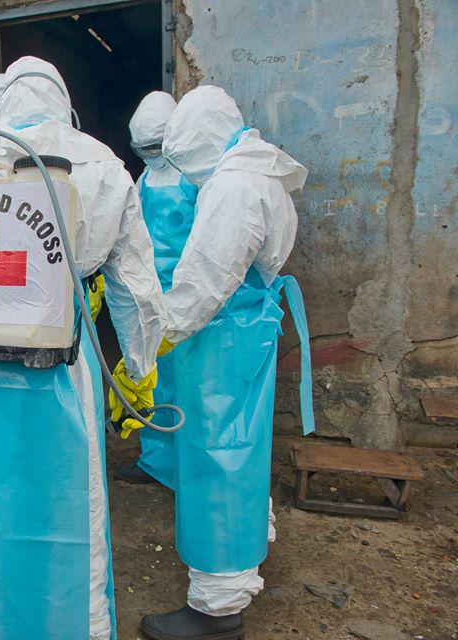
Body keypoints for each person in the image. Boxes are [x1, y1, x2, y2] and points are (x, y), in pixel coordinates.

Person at [0, 56, 165, 640]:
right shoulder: (103, 164)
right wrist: (138, 369)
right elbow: (136, 291)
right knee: (73, 506)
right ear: (65, 103)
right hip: (64, 365)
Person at [138, 85, 314, 640]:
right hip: (243, 331)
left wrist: (151, 342)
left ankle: (217, 607)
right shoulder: (257, 171)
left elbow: (202, 286)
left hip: (222, 335)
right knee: (240, 448)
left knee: (217, 454)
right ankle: (246, 551)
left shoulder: (234, 189)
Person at [115, 91, 198, 488]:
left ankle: (192, 465)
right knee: (153, 380)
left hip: (191, 298)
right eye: (143, 150)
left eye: (155, 147)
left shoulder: (198, 176)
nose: (150, 156)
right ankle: (155, 461)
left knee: (192, 385)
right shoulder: (145, 179)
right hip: (151, 296)